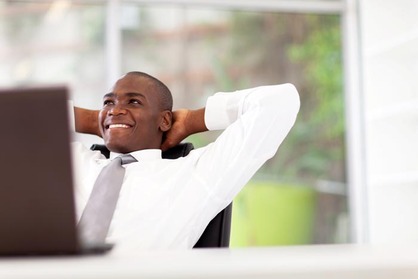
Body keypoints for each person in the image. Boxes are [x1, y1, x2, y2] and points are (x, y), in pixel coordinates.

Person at [72, 71, 300, 251]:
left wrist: (194, 120)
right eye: (108, 103)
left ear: (164, 120)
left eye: (133, 102)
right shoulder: (72, 163)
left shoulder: (196, 173)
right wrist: (94, 119)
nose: (115, 110)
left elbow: (280, 102)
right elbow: (36, 114)